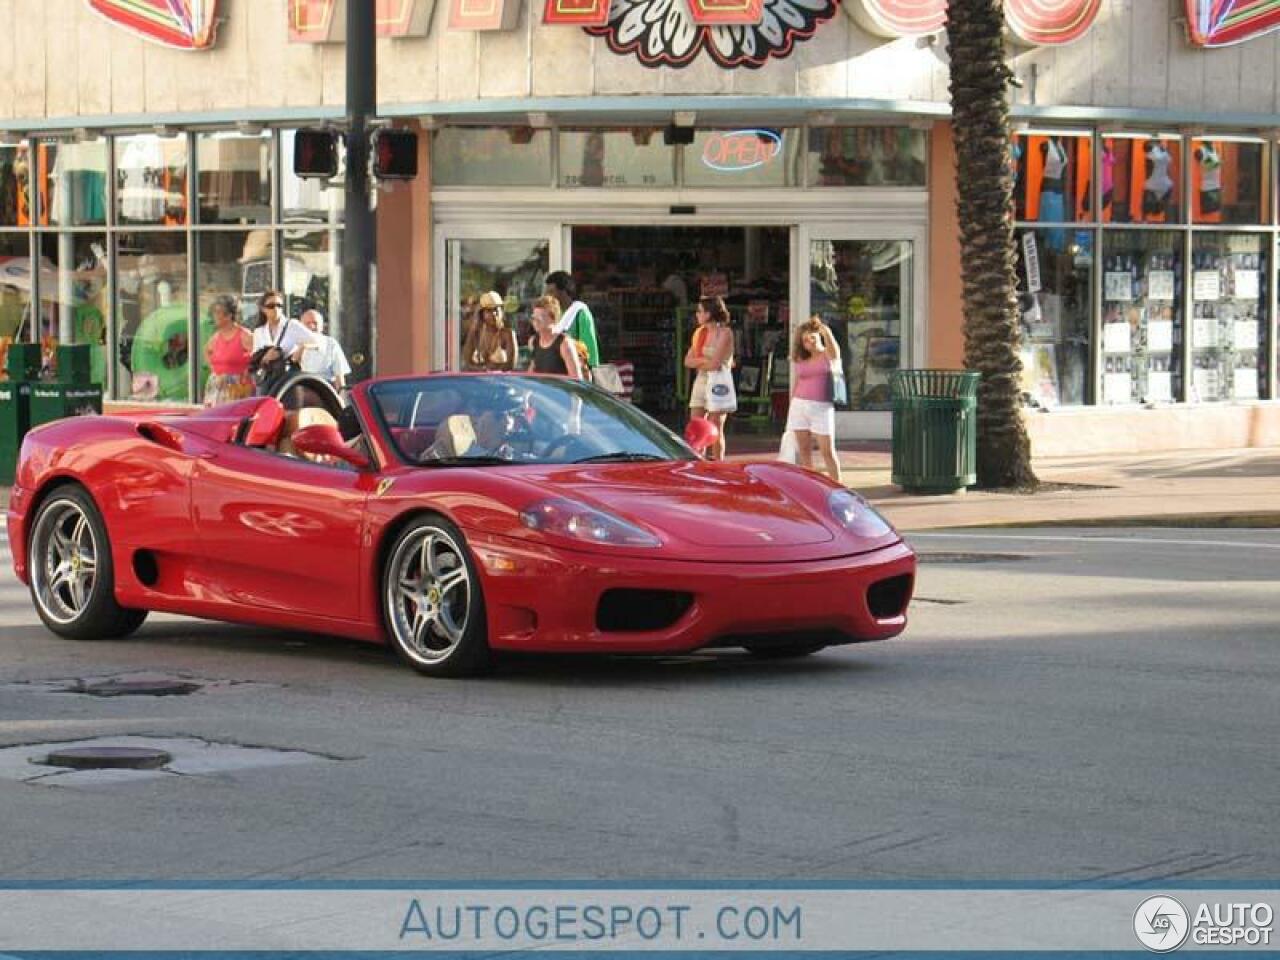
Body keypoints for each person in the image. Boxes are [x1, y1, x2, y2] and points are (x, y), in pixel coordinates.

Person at [784, 315, 842, 483]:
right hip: (799, 405)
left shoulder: (827, 355)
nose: (809, 342)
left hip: (821, 406)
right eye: (805, 340)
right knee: (804, 450)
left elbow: (835, 352)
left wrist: (826, 332)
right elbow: (797, 381)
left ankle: (838, 486)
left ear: (819, 336)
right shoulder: (801, 357)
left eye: (811, 337)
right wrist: (791, 404)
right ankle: (810, 485)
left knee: (827, 451)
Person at [683, 295, 734, 461]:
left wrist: (701, 362)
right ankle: (699, 461)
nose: (697, 315)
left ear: (709, 313)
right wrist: (705, 362)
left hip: (719, 382)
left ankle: (719, 463)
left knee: (716, 426)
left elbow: (715, 364)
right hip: (701, 380)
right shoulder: (700, 333)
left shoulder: (725, 333)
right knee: (696, 426)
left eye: (700, 311)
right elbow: (687, 361)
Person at [202, 294, 254, 407]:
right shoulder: (216, 337)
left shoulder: (244, 335)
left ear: (229, 315)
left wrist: (245, 373)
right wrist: (214, 370)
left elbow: (258, 357)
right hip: (217, 387)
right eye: (214, 312)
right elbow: (206, 351)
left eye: (218, 312)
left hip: (237, 388)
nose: (214, 316)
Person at [251, 289, 316, 372]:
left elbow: (316, 342)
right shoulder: (259, 331)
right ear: (263, 309)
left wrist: (302, 347)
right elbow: (255, 357)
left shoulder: (292, 325)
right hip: (269, 376)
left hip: (288, 375)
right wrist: (266, 357)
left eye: (279, 305)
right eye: (271, 306)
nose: (276, 309)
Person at [545, 270, 599, 368]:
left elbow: (590, 352)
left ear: (564, 291)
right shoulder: (552, 314)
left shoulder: (580, 312)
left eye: (551, 292)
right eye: (547, 292)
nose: (548, 296)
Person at [527, 295, 584, 380]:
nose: (536, 322)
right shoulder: (534, 341)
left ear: (553, 319)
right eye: (534, 318)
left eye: (540, 318)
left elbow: (577, 379)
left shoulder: (564, 343)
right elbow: (532, 371)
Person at [461, 290, 518, 371]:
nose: (494, 314)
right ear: (482, 314)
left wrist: (492, 371)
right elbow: (467, 362)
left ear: (501, 311)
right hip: (479, 380)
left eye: (496, 309)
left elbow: (510, 365)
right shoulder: (475, 334)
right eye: (489, 311)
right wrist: (483, 370)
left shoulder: (508, 334)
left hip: (502, 380)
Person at [298, 309, 352, 390]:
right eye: (308, 323)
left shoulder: (331, 343)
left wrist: (341, 396)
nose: (312, 326)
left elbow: (339, 376)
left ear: (322, 326)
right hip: (301, 388)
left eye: (315, 323)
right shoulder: (295, 343)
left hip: (325, 389)